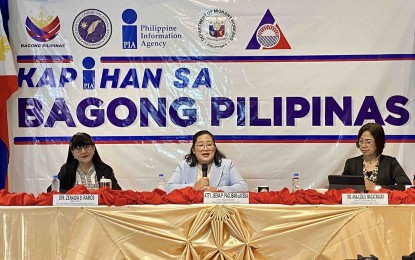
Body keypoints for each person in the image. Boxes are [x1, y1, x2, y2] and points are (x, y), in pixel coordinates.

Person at [166, 130, 248, 193]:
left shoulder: (227, 165)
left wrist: (216, 190)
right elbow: (169, 188)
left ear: (215, 148)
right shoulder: (184, 165)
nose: (205, 148)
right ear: (194, 150)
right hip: (192, 209)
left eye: (209, 145)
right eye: (201, 145)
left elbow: (243, 187)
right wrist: (194, 187)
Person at [342, 123, 411, 191]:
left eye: (368, 142)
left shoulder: (390, 163)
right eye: (361, 141)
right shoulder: (351, 163)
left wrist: (376, 188)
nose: (363, 145)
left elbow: (406, 186)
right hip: (356, 202)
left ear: (378, 142)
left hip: (384, 202)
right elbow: (341, 187)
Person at [47, 132, 122, 193]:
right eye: (78, 148)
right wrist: (77, 193)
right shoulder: (66, 170)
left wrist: (96, 192)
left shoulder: (105, 170)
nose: (83, 152)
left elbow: (117, 192)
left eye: (86, 146)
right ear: (72, 153)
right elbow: (51, 190)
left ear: (93, 148)